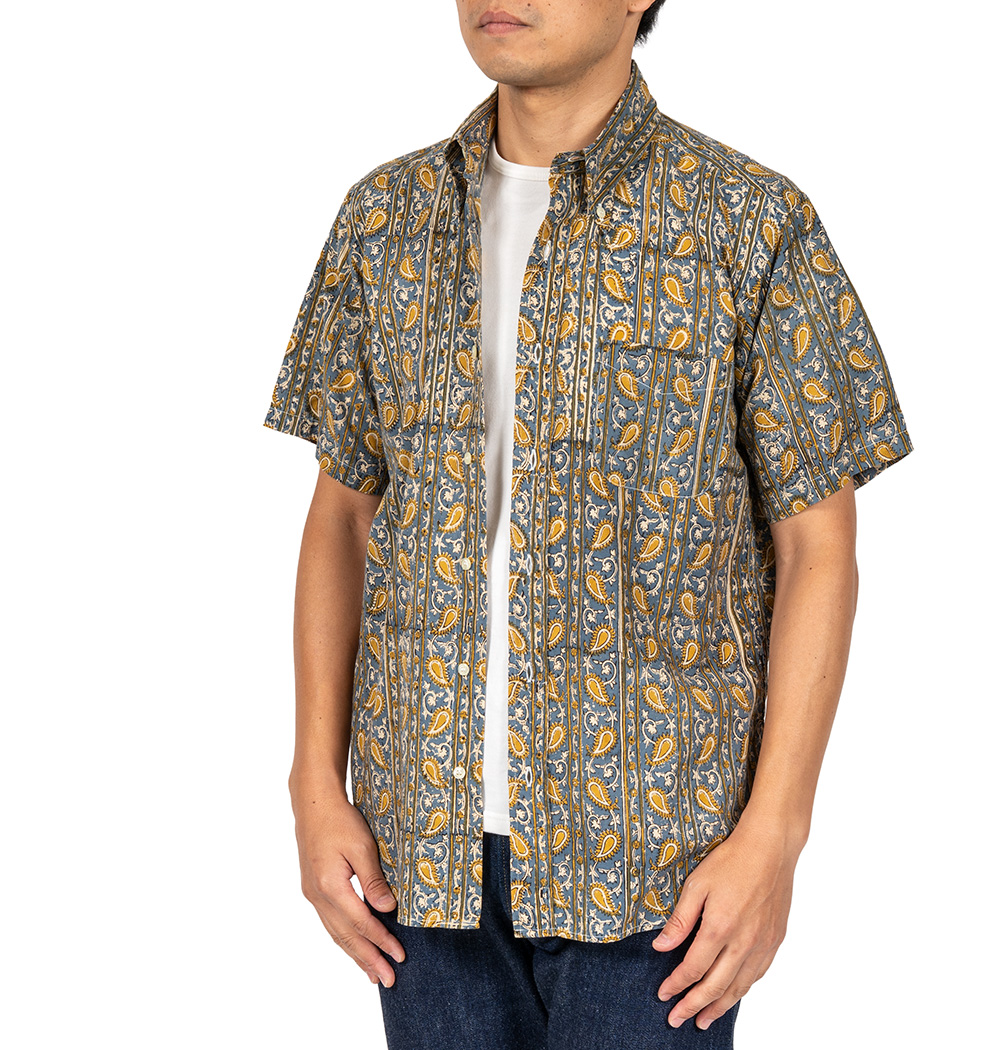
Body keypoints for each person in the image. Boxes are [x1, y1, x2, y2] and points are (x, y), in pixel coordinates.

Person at [264, 1, 912, 1046]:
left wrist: (777, 835)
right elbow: (342, 514)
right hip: (420, 858)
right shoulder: (384, 220)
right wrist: (311, 783)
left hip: (661, 866)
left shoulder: (749, 223)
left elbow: (818, 547)